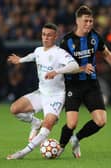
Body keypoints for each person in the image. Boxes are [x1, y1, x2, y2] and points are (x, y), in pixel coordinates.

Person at [58, 5, 111, 158]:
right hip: (73, 85)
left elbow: (107, 54)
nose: (89, 24)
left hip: (91, 84)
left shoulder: (95, 37)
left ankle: (76, 139)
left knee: (101, 121)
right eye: (86, 21)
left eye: (91, 21)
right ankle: (60, 146)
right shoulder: (66, 41)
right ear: (77, 21)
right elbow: (61, 66)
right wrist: (79, 68)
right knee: (72, 123)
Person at [6, 23, 79, 160]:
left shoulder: (59, 53)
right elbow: (34, 56)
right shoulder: (39, 50)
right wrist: (20, 60)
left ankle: (22, 153)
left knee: (47, 125)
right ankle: (35, 122)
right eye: (44, 34)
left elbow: (74, 65)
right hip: (41, 93)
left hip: (56, 97)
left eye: (49, 35)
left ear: (55, 37)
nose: (46, 38)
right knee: (14, 109)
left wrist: (57, 71)